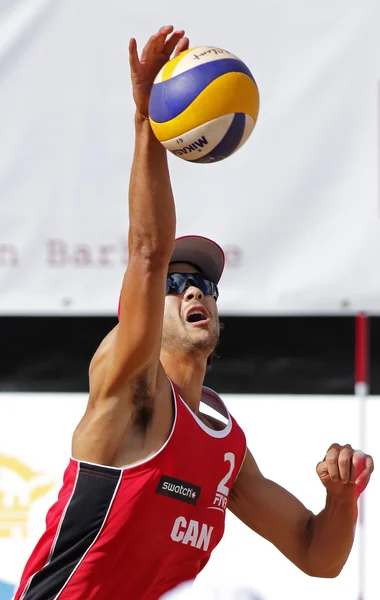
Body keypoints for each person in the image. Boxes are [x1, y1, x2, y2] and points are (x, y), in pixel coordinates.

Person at [13, 25, 374, 600]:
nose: (194, 291)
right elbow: (148, 254)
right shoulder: (128, 385)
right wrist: (147, 125)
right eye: (178, 283)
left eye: (204, 283)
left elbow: (316, 556)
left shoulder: (224, 439)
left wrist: (340, 501)